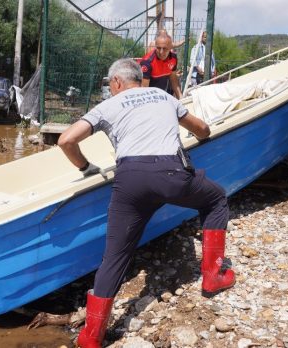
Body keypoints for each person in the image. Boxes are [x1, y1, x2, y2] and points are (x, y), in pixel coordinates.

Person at [57, 59, 233, 348]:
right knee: (215, 199)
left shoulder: (107, 107)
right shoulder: (165, 96)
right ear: (139, 79)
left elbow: (66, 140)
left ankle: (91, 337)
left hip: (130, 181)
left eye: (109, 84)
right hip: (172, 175)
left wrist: (85, 168)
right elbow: (201, 128)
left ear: (116, 82)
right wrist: (203, 135)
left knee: (114, 256)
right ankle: (213, 275)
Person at [140, 33, 183, 99]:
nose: (161, 52)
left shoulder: (173, 58)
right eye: (158, 48)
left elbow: (173, 78)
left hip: (162, 94)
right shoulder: (147, 62)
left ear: (170, 48)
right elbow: (143, 90)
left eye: (165, 49)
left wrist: (180, 97)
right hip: (149, 97)